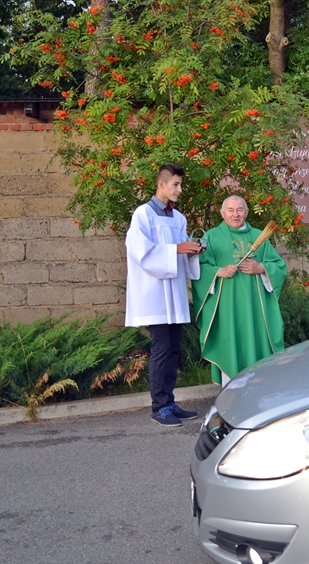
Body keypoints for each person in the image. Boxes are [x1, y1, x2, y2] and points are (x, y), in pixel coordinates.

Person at [125, 163, 203, 427]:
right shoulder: (143, 214)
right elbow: (141, 252)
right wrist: (176, 249)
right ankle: (159, 407)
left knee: (173, 349)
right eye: (176, 185)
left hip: (174, 293)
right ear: (162, 184)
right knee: (161, 348)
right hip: (155, 293)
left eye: (180, 185)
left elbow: (179, 254)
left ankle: (169, 402)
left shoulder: (178, 218)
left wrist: (191, 251)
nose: (179, 190)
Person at [191, 195, 287, 385]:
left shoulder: (259, 236)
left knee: (258, 345)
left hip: (256, 308)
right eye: (230, 210)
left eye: (239, 210)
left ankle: (260, 389)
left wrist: (261, 268)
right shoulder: (211, 237)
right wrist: (219, 271)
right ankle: (231, 392)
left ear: (247, 212)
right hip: (227, 308)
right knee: (230, 344)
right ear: (222, 213)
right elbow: (198, 268)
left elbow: (279, 266)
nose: (235, 214)